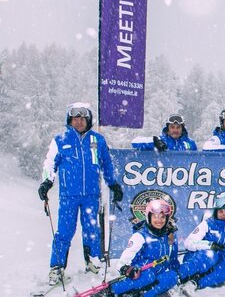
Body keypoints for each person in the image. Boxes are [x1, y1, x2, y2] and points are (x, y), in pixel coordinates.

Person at [38, 102, 123, 284]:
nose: (78, 122)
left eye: (82, 118)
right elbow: (50, 163)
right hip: (69, 196)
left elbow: (106, 164)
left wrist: (113, 184)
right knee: (64, 232)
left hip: (91, 195)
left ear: (88, 120)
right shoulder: (61, 140)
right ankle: (57, 267)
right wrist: (47, 181)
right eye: (75, 118)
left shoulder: (97, 140)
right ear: (70, 120)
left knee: (92, 230)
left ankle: (93, 262)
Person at [109, 199, 180, 296]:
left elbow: (173, 259)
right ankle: (112, 292)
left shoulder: (168, 236)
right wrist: (127, 269)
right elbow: (122, 262)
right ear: (148, 217)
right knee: (149, 275)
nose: (159, 220)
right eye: (155, 216)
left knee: (172, 276)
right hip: (140, 275)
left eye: (162, 217)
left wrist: (177, 270)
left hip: (157, 275)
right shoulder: (140, 236)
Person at [178, 196, 225, 293]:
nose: (224, 214)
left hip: (220, 260)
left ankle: (197, 282)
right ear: (216, 212)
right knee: (211, 255)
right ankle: (180, 277)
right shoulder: (207, 224)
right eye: (221, 212)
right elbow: (188, 243)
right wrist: (209, 245)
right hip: (199, 257)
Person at [131, 114, 198, 151]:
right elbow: (134, 142)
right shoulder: (161, 141)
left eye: (178, 127)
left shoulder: (191, 143)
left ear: (182, 129)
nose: (175, 130)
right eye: (172, 127)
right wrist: (154, 143)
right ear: (167, 129)